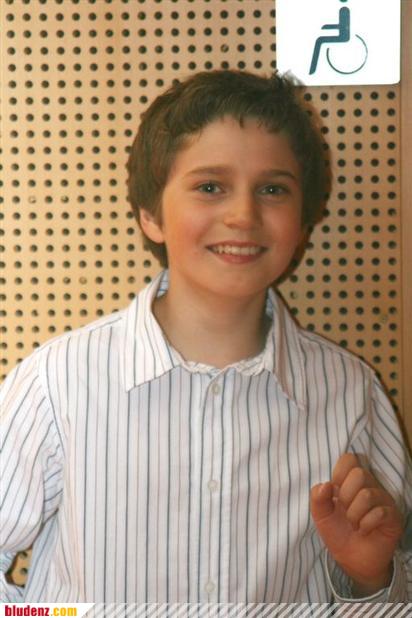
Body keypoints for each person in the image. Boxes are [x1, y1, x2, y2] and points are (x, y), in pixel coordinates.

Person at [0, 70, 411, 604]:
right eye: (210, 187)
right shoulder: (58, 384)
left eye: (272, 189)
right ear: (151, 215)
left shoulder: (350, 393)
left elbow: (397, 585)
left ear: (303, 223)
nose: (243, 215)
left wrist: (371, 578)